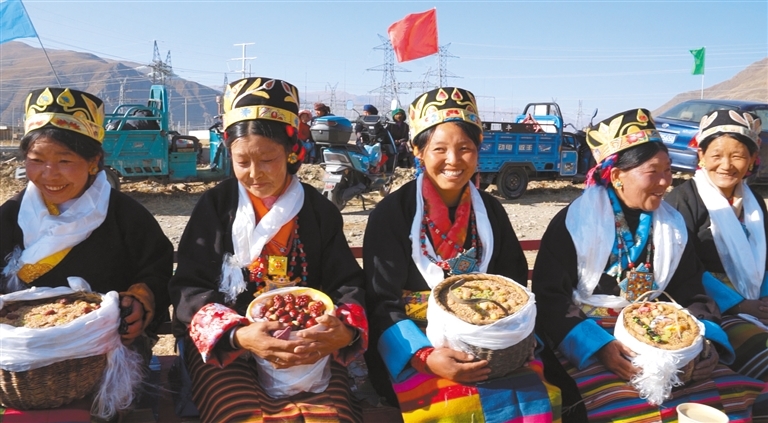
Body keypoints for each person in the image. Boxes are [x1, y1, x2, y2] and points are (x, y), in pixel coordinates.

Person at [532, 108, 765, 422]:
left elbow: (691, 289)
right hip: (593, 332)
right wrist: (599, 347)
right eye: (653, 172)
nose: (665, 182)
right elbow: (550, 298)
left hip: (664, 328)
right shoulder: (575, 223)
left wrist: (705, 340)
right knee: (628, 408)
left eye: (668, 170)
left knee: (725, 393)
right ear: (617, 176)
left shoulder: (671, 225)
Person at [168, 77, 368, 423]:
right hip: (233, 350)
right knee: (242, 416)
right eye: (242, 162)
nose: (255, 174)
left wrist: (343, 328)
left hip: (307, 345)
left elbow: (346, 281)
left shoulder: (318, 212)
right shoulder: (216, 207)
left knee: (330, 418)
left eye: (268, 159)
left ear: (292, 152)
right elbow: (190, 286)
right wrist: (239, 335)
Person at [363, 87, 562, 422]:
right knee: (454, 403)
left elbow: (512, 285)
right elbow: (381, 301)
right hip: (416, 337)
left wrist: (509, 338)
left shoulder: (492, 212)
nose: (454, 161)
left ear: (478, 151)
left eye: (465, 149)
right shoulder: (391, 214)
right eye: (440, 149)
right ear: (419, 151)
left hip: (491, 342)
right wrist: (423, 356)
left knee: (538, 393)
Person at [0, 87, 172, 350]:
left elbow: (156, 271)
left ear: (94, 161)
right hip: (23, 349)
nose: (49, 174)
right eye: (36, 160)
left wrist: (141, 298)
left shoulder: (125, 215)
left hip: (106, 345)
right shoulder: (10, 215)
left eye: (65, 161)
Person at [666, 111, 768, 385]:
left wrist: (764, 298)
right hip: (710, 310)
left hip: (756, 302)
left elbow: (765, 259)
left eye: (737, 156)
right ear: (701, 157)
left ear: (751, 160)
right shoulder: (683, 202)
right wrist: (736, 304)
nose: (727, 165)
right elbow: (682, 271)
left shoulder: (754, 202)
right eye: (716, 155)